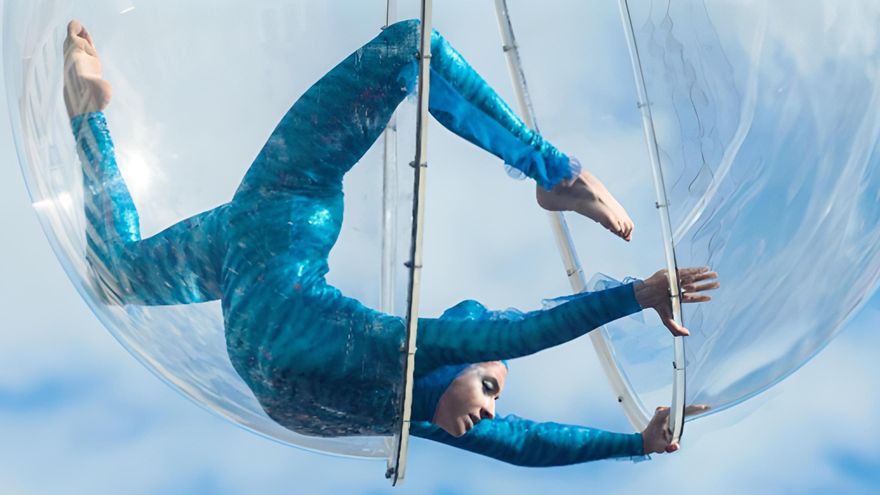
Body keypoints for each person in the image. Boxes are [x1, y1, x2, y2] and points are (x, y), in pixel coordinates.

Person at [63, 19, 719, 466]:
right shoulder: (413, 352)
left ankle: (86, 112)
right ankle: (555, 173)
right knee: (411, 46)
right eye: (490, 385)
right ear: (461, 359)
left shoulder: (419, 411)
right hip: (284, 222)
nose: (494, 409)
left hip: (238, 263)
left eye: (493, 394)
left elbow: (528, 443)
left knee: (115, 274)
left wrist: (636, 444)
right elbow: (525, 333)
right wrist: (637, 295)